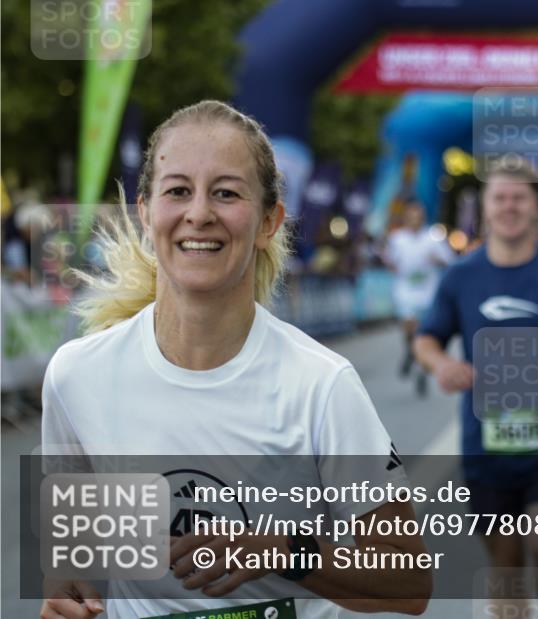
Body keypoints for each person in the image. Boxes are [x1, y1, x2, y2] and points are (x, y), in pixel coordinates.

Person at [40, 100, 430, 619]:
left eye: (225, 193)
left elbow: (409, 584)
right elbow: (74, 574)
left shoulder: (321, 384)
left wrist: (282, 551)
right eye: (178, 190)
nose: (198, 213)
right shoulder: (77, 376)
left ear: (269, 221)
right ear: (145, 211)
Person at [412, 159, 538, 617]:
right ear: (486, 207)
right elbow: (426, 339)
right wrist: (442, 364)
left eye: (519, 197)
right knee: (505, 563)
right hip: (484, 442)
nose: (509, 206)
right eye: (500, 197)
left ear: (534, 207)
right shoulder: (461, 276)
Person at [384, 199, 454, 397]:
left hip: (428, 293)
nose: (415, 220)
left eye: (419, 216)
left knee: (422, 331)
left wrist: (437, 260)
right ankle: (411, 352)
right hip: (405, 291)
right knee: (408, 328)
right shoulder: (397, 238)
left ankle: (421, 369)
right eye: (411, 216)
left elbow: (450, 261)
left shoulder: (433, 237)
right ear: (406, 217)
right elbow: (389, 261)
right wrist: (391, 266)